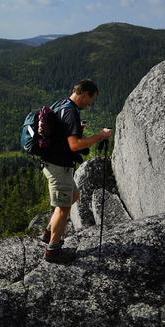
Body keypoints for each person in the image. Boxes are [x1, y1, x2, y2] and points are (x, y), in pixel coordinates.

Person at [39, 80, 112, 264]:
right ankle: (52, 251)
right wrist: (100, 136)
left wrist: (78, 131)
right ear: (85, 93)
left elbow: (63, 137)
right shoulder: (71, 111)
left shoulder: (62, 104)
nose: (90, 104)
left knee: (74, 195)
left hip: (55, 163)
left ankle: (49, 233)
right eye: (91, 99)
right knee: (64, 208)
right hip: (58, 166)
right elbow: (74, 145)